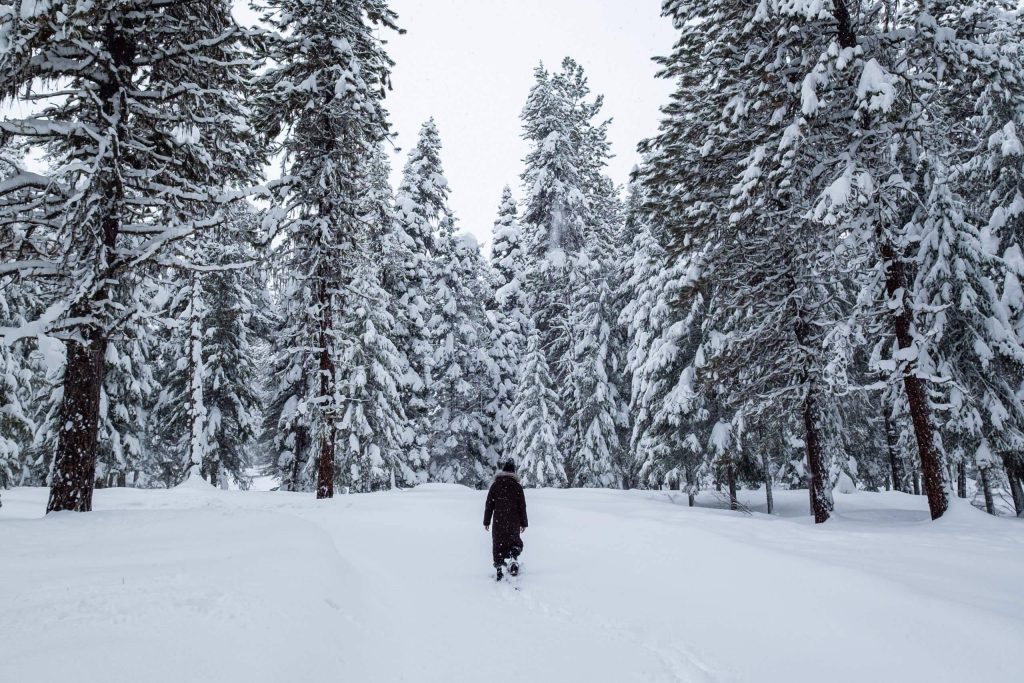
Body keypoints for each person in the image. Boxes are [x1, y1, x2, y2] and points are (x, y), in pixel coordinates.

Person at [483, 460, 528, 581]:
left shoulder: (495, 486)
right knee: (514, 542)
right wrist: (524, 523)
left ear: (503, 471)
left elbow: (489, 505)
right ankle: (513, 558)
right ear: (513, 472)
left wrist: (486, 521)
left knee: (498, 544)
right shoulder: (517, 487)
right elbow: (522, 506)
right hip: (514, 521)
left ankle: (499, 570)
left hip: (499, 522)